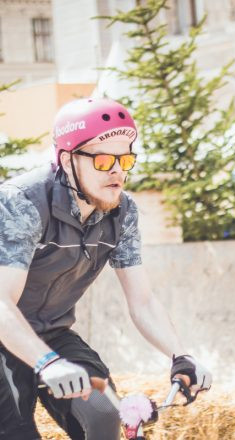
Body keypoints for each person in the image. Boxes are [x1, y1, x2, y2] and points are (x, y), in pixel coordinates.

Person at [0, 98, 212, 440]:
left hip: (52, 330)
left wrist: (181, 354)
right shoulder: (22, 202)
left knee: (103, 416)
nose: (117, 170)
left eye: (125, 158)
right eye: (102, 160)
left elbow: (142, 301)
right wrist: (47, 363)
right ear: (67, 160)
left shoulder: (122, 211)